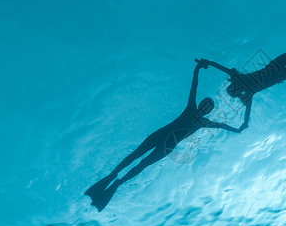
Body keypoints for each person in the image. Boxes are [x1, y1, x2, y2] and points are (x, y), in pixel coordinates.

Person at [85, 60, 249, 212]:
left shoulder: (203, 122)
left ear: (208, 111)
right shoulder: (192, 109)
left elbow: (222, 125)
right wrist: (197, 69)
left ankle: (117, 183)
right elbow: (194, 87)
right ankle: (113, 175)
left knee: (142, 165)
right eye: (206, 104)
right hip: (161, 136)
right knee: (136, 155)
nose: (206, 107)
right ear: (201, 104)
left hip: (167, 146)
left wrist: (239, 128)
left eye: (209, 107)